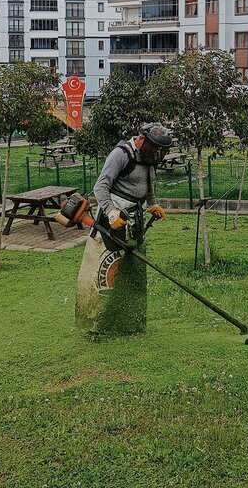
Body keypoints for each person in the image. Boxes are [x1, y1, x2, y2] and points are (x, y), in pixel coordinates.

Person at [76, 123, 172, 336]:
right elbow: (100, 186)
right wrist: (110, 211)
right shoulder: (121, 154)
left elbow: (148, 188)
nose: (157, 153)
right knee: (106, 272)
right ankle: (98, 325)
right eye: (154, 147)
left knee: (132, 270)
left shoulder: (149, 159)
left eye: (160, 150)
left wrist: (152, 205)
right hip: (112, 222)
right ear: (141, 140)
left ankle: (131, 322)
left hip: (135, 222)